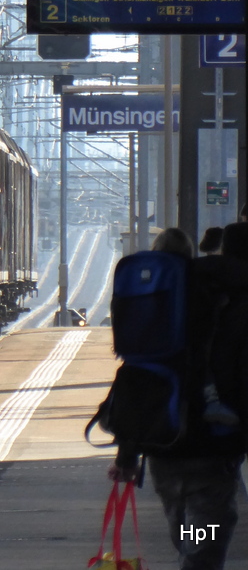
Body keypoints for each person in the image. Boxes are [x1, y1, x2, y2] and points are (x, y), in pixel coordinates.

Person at [112, 223, 248, 570]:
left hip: (162, 444)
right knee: (208, 530)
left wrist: (127, 454)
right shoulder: (229, 298)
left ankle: (191, 553)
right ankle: (194, 557)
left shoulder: (154, 312)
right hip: (213, 444)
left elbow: (136, 382)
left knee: (186, 528)